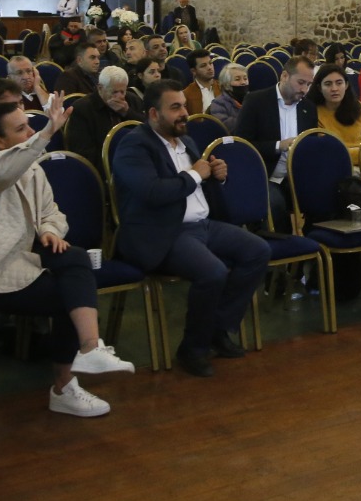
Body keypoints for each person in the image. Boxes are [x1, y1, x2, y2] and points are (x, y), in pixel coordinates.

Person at [0, 99, 131, 419]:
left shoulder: (31, 166)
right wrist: (46, 133)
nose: (31, 132)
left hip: (21, 259)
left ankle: (90, 348)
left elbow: (51, 212)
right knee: (66, 299)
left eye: (30, 126)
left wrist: (48, 230)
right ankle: (63, 387)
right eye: (21, 129)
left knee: (74, 257)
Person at [112, 81, 270, 378]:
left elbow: (200, 179)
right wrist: (195, 174)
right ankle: (193, 348)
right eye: (175, 107)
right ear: (153, 114)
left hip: (203, 224)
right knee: (213, 272)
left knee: (258, 251)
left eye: (184, 105)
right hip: (163, 231)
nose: (184, 113)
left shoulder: (186, 140)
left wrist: (216, 176)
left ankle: (217, 329)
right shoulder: (134, 146)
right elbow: (153, 192)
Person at [235, 56, 318, 226]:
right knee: (275, 204)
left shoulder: (308, 108)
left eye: (309, 85)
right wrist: (278, 145)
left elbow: (311, 147)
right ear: (285, 76)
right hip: (266, 175)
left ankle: (317, 241)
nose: (304, 89)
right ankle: (284, 248)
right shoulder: (256, 101)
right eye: (301, 82)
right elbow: (242, 145)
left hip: (298, 175)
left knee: (326, 193)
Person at [64, 66, 134, 171]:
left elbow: (146, 128)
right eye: (114, 92)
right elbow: (84, 153)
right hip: (103, 168)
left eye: (122, 92)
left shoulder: (132, 100)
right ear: (100, 88)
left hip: (133, 161)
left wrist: (127, 113)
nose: (120, 97)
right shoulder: (83, 108)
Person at [309, 62, 361, 167]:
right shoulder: (313, 112)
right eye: (328, 84)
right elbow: (329, 151)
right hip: (333, 165)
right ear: (319, 88)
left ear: (346, 85)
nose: (334, 88)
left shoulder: (359, 107)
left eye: (339, 83)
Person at [207, 64, 248, 131]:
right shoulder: (218, 103)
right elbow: (225, 126)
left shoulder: (253, 100)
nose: (243, 82)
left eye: (245, 78)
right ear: (226, 85)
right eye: (237, 79)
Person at [183, 49, 221, 115]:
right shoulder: (187, 94)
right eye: (203, 65)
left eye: (210, 63)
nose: (209, 68)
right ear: (193, 71)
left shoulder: (224, 88)